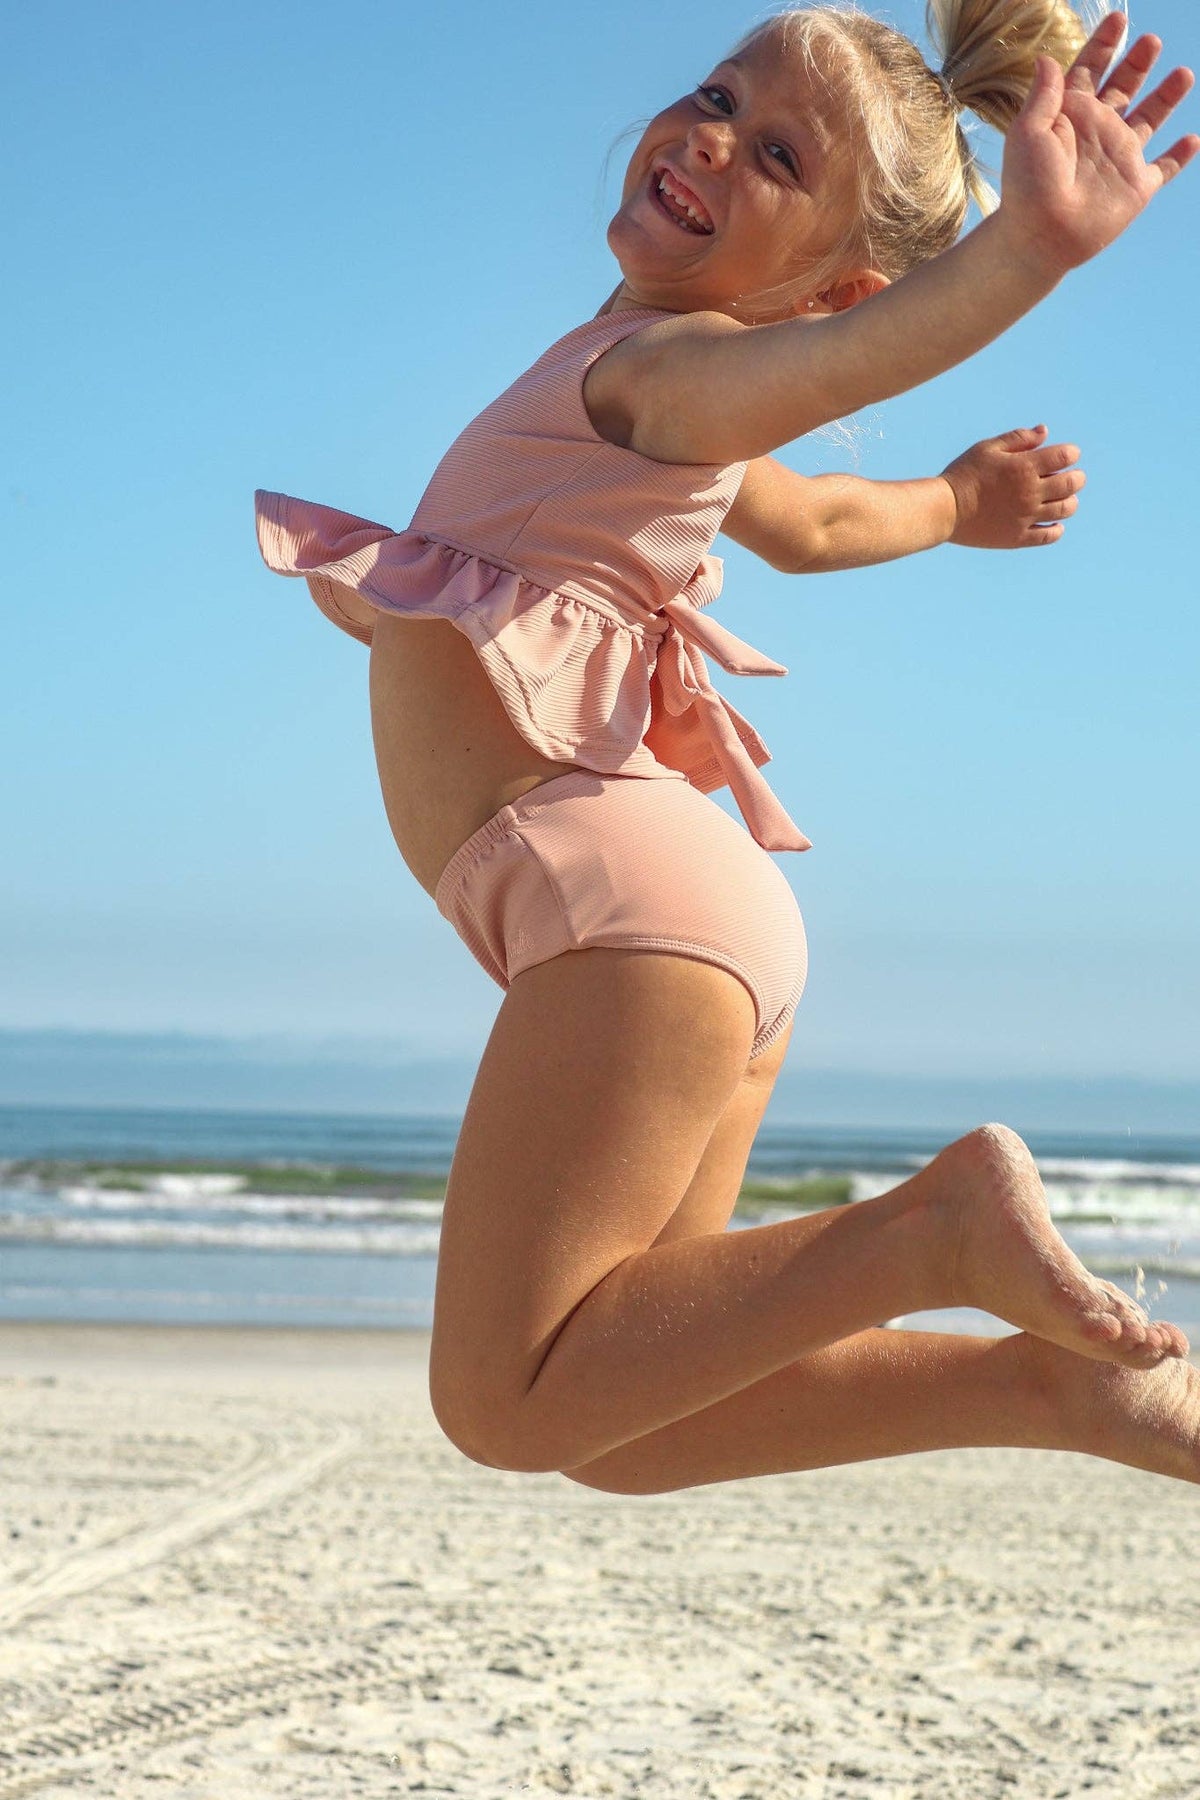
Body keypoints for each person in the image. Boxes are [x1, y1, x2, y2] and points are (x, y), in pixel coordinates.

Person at [255, 3, 1200, 1491]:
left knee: (503, 1402)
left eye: (777, 158)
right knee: (637, 1408)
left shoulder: (657, 379)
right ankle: (1060, 1393)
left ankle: (937, 1232)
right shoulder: (665, 409)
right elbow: (819, 520)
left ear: (834, 289)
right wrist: (958, 506)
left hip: (628, 917)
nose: (712, 141)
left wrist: (1027, 252)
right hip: (690, 931)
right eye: (715, 97)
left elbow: (854, 368)